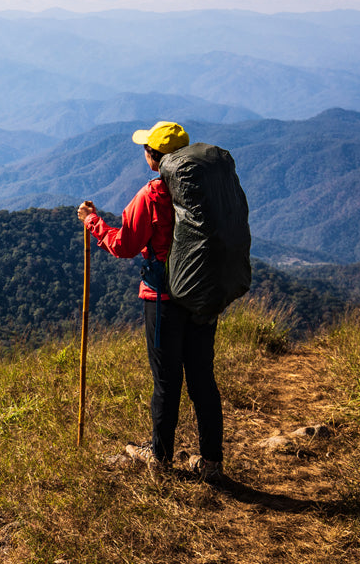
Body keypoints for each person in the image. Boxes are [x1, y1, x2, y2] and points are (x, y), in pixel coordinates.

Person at [76, 121, 224, 483]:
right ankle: (211, 462)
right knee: (202, 378)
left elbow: (124, 245)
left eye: (146, 149)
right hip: (202, 295)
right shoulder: (205, 190)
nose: (144, 153)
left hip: (163, 300)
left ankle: (159, 458)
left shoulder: (153, 195)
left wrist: (92, 222)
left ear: (154, 158)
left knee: (167, 380)